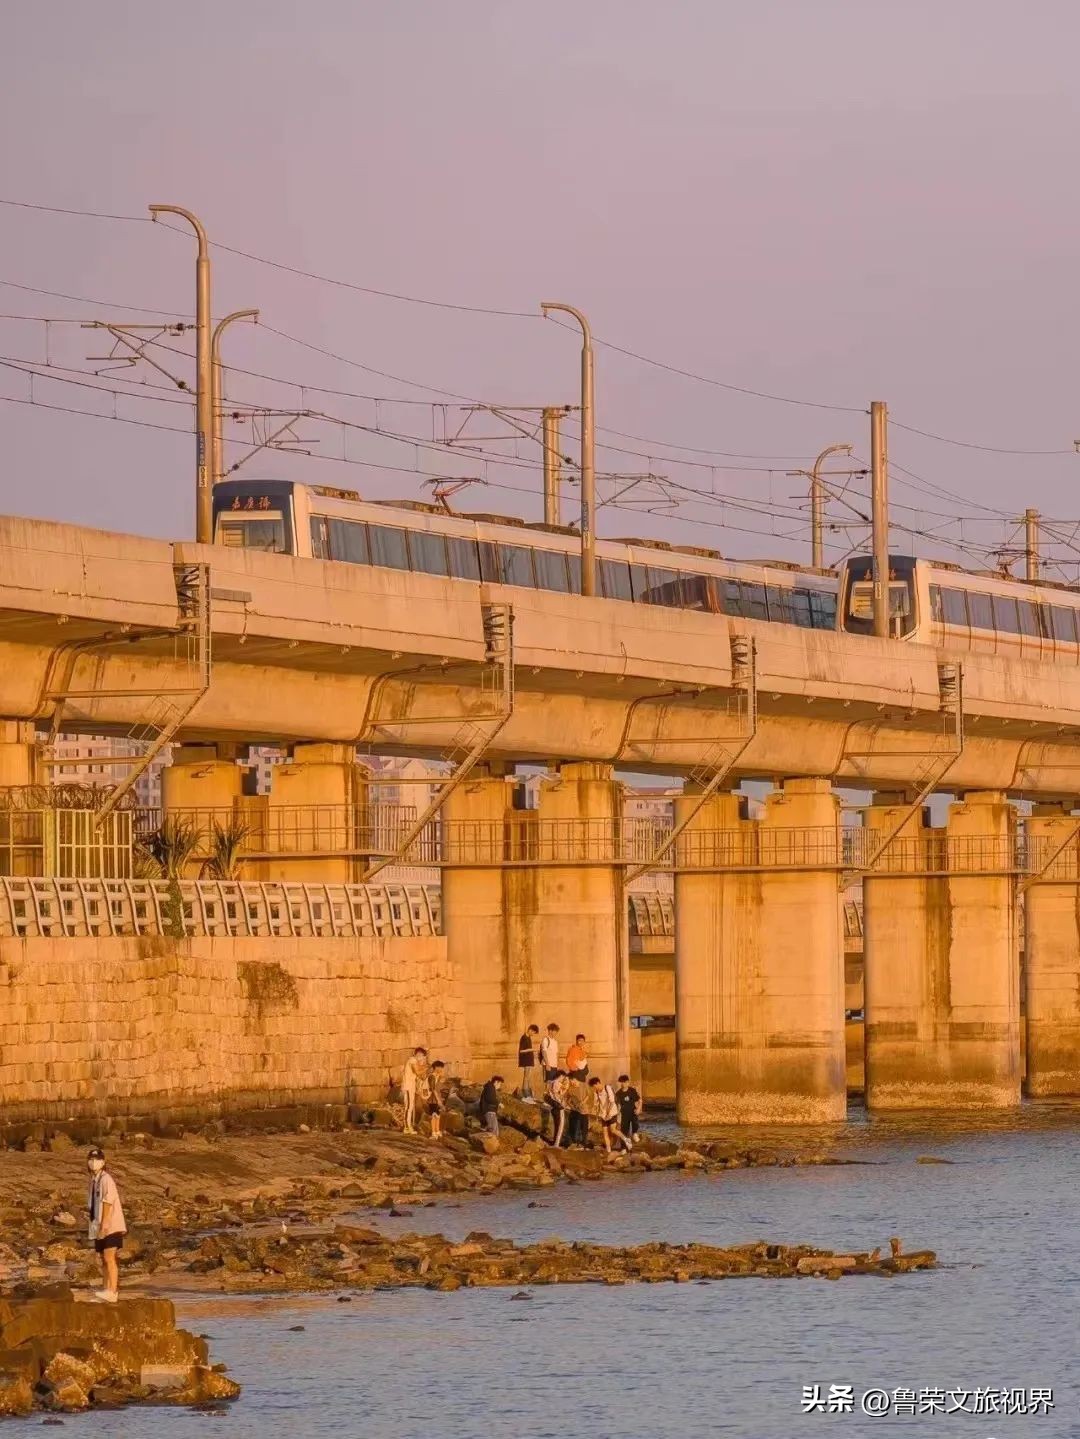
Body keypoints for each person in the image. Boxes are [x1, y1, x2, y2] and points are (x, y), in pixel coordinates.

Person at [86, 1147, 126, 1303]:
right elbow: (93, 1205)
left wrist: (104, 1226)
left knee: (110, 1257)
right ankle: (106, 1289)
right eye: (90, 1159)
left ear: (103, 1162)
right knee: (104, 1258)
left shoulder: (106, 1179)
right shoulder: (94, 1180)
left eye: (96, 1160)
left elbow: (108, 1203)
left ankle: (113, 1291)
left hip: (111, 1225)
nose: (93, 1162)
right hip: (99, 1225)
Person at [591, 1077, 631, 1154]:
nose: (595, 1088)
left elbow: (612, 1101)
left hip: (612, 1112)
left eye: (595, 1086)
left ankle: (626, 1139)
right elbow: (596, 1104)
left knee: (613, 1130)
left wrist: (608, 1114)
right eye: (593, 1087)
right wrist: (597, 1113)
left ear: (598, 1083)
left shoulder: (607, 1088)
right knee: (605, 1133)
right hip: (603, 1114)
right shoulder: (596, 1092)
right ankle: (608, 1151)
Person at [401, 1047, 428, 1134]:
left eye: (422, 1055)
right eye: (419, 1055)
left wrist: (423, 1066)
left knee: (410, 1107)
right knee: (408, 1107)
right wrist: (426, 1067)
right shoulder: (412, 1060)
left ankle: (409, 1126)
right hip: (408, 1086)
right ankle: (407, 1127)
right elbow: (417, 1072)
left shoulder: (416, 1062)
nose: (420, 1057)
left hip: (411, 1087)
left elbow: (421, 1076)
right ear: (415, 1054)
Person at [545, 1069, 570, 1148]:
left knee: (557, 1125)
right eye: (563, 1077)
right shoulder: (557, 1083)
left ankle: (555, 1143)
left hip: (554, 1107)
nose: (563, 1079)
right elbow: (557, 1095)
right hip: (558, 1107)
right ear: (560, 1076)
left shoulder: (551, 1082)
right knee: (560, 1126)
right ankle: (556, 1144)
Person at [616, 1074, 642, 1145]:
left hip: (633, 1112)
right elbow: (618, 1106)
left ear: (628, 1082)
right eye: (621, 1082)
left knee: (635, 1122)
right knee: (624, 1131)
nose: (623, 1084)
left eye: (625, 1082)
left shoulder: (632, 1090)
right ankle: (624, 1147)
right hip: (624, 1114)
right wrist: (618, 1118)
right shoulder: (618, 1093)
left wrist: (639, 1109)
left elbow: (640, 1100)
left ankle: (634, 1133)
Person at [517, 1023, 540, 1100]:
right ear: (530, 1029)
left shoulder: (528, 1037)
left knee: (528, 1076)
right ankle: (525, 1091)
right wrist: (532, 1049)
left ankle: (527, 1090)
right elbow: (521, 1051)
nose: (533, 1034)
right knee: (526, 1076)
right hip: (526, 1059)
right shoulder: (523, 1038)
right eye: (533, 1032)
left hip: (529, 1059)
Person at [426, 1059, 447, 1141]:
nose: (441, 1069)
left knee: (438, 1115)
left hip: (437, 1098)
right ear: (436, 1067)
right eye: (440, 1067)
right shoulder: (432, 1076)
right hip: (433, 1099)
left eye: (442, 1068)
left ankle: (437, 1130)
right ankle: (433, 1132)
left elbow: (439, 1088)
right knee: (433, 1115)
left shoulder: (438, 1077)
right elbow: (433, 1089)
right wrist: (438, 1100)